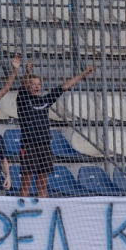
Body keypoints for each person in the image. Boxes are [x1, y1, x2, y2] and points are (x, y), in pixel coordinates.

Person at [17, 62, 95, 198]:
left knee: (42, 183)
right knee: (26, 183)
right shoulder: (23, 100)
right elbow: (23, 84)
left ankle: (43, 206)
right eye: (33, 84)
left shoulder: (45, 100)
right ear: (28, 86)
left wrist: (83, 74)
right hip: (29, 146)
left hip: (44, 146)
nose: (37, 86)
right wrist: (27, 72)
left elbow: (64, 87)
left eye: (38, 84)